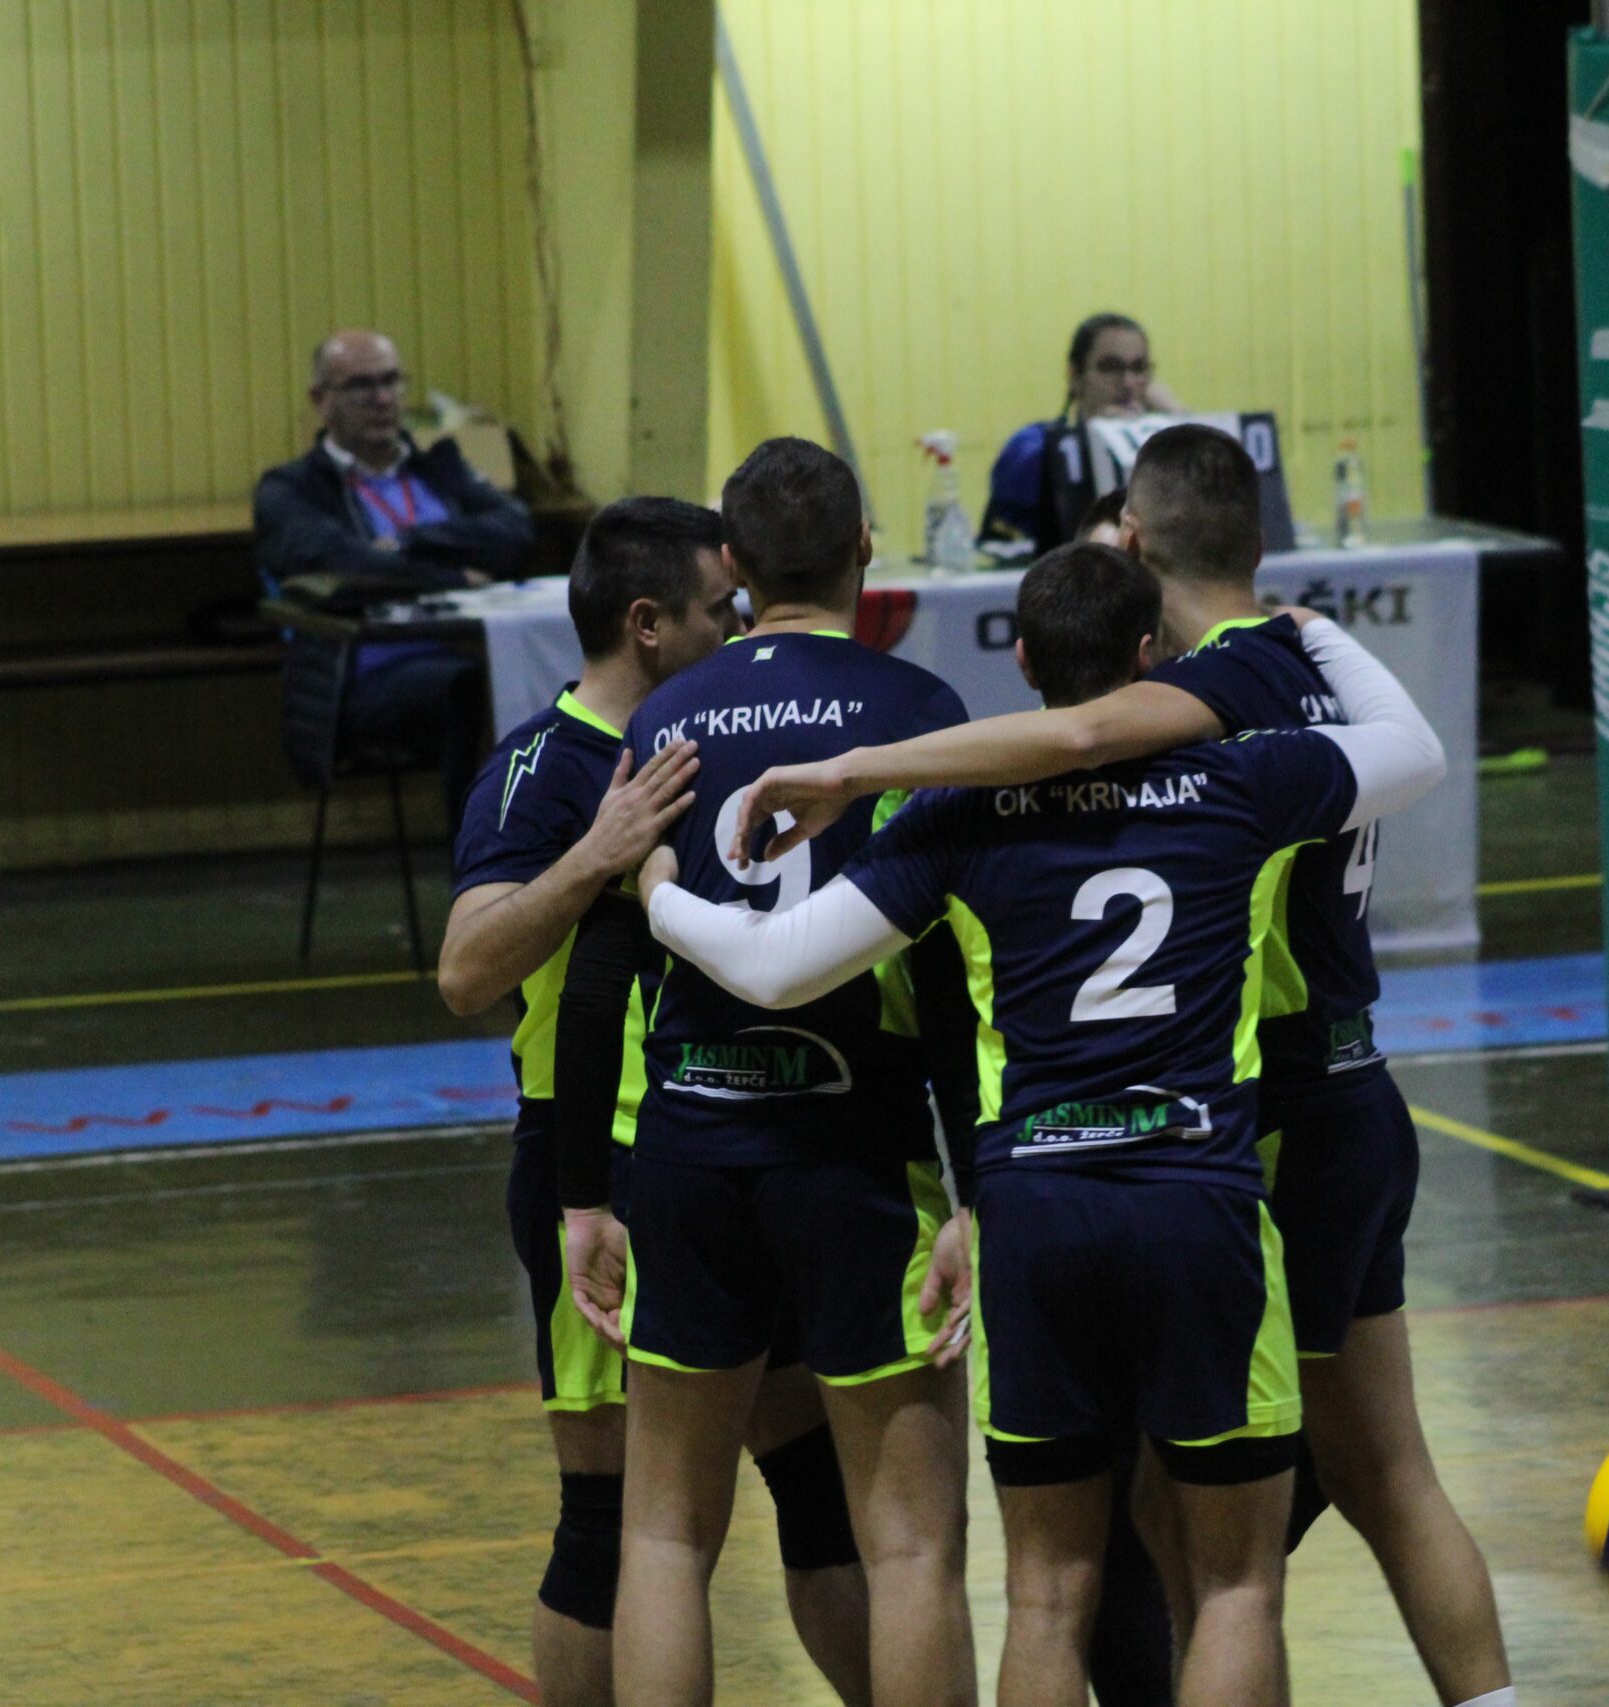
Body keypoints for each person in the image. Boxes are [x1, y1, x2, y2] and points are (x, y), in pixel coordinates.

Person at [726, 425, 1515, 1706]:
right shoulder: (1297, 681)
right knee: (1372, 1479)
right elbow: (1408, 746)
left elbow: (1070, 742)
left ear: (1133, 551)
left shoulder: (1198, 705)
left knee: (1133, 1555)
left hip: (1224, 1128)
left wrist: (844, 775)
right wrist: (1323, 632)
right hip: (1351, 1094)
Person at [554, 440, 978, 1707]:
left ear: (733, 565)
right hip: (857, 1153)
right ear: (866, 548)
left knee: (664, 1536)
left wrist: (584, 1192)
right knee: (910, 1548)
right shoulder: (920, 711)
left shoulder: (665, 717)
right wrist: (979, 1189)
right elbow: (951, 985)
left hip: (690, 1151)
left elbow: (599, 974)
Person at [437, 497, 877, 1705]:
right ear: (645, 624)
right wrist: (596, 853)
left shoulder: (726, 738)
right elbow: (466, 972)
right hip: (602, 1166)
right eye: (718, 610)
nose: (739, 628)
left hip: (737, 1145)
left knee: (816, 1488)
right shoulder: (544, 768)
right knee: (612, 1518)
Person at [254, 329, 535, 826]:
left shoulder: (438, 468)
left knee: (548, 675)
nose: (382, 399)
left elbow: (514, 531)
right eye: (361, 386)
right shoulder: (291, 490)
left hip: (466, 645)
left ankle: (549, 855)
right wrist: (453, 574)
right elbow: (344, 562)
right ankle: (482, 863)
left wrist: (408, 542)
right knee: (475, 687)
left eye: (391, 382)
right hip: (359, 677)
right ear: (320, 401)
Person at [980, 314, 1182, 559]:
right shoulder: (1036, 447)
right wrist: (1096, 435)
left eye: (1138, 368)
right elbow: (1003, 549)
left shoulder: (1161, 449)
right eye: (1110, 368)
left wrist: (1177, 418)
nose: (1128, 383)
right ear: (1075, 376)